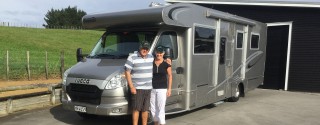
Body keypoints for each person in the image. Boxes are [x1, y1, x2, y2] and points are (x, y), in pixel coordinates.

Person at [124, 42, 154, 125]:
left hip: (148, 88)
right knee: (136, 109)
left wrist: (167, 60)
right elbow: (127, 72)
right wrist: (131, 87)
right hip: (137, 88)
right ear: (140, 48)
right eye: (143, 48)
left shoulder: (151, 57)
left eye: (147, 49)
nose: (145, 50)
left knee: (145, 109)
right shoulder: (132, 57)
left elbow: (159, 60)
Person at [150, 46, 172, 125]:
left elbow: (170, 76)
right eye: (157, 52)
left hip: (162, 89)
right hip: (152, 88)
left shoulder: (167, 64)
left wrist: (169, 89)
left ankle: (162, 123)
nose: (159, 54)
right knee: (153, 108)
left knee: (161, 108)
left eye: (160, 52)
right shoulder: (151, 63)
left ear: (163, 53)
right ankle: (156, 123)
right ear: (155, 53)